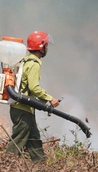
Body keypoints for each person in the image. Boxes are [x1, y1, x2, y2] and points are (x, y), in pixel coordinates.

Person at [5, 31, 60, 163]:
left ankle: (41, 166)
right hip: (23, 109)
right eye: (46, 46)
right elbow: (33, 88)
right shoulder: (34, 64)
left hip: (23, 108)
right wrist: (49, 98)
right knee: (18, 139)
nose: (47, 48)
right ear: (41, 47)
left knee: (33, 138)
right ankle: (4, 165)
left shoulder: (25, 61)